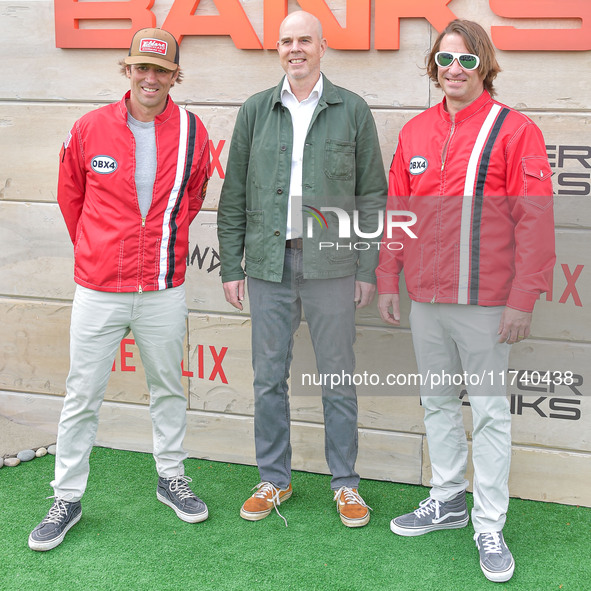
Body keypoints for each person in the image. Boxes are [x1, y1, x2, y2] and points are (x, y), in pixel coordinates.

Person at [377, 19, 555, 583]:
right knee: (435, 404)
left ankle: (489, 523)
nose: (455, 70)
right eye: (445, 60)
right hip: (425, 300)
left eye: (466, 61)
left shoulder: (513, 130)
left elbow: (536, 222)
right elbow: (398, 211)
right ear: (435, 66)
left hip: (485, 303)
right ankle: (449, 498)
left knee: (490, 414)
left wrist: (522, 299)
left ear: (484, 65)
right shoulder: (415, 132)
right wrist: (387, 277)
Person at [28, 27, 211, 552]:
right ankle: (65, 497)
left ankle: (171, 477)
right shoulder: (89, 127)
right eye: (141, 68)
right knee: (82, 394)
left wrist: (155, 246)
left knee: (169, 388)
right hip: (99, 287)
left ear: (176, 76)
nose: (150, 78)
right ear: (127, 70)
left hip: (162, 286)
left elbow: (192, 198)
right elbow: (72, 200)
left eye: (161, 70)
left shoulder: (194, 133)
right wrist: (99, 251)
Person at [217, 11, 387, 527]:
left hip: (332, 265)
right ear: (278, 48)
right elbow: (234, 195)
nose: (296, 48)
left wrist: (365, 267)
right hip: (268, 264)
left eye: (305, 40)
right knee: (269, 377)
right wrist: (231, 264)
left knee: (338, 377)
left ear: (322, 47)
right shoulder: (254, 111)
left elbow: (371, 195)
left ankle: (346, 485)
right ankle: (274, 478)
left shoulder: (351, 110)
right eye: (287, 40)